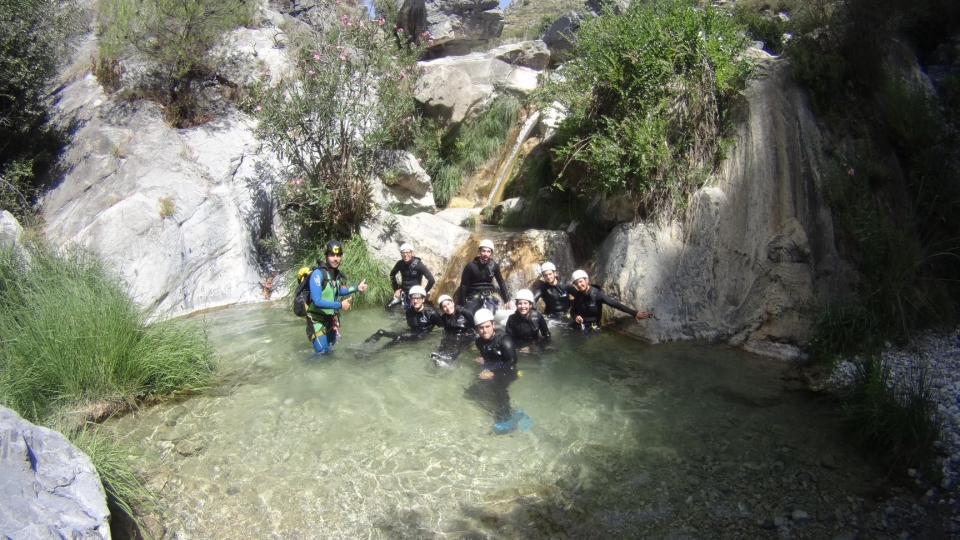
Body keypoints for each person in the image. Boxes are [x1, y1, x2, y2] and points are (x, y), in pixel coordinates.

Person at [465, 309, 531, 434]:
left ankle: (507, 419)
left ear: (493, 324)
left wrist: (493, 372)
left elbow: (512, 360)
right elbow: (489, 355)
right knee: (471, 392)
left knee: (498, 391)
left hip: (508, 371)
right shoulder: (479, 342)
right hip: (492, 369)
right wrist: (483, 360)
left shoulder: (504, 339)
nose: (484, 331)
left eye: (487, 327)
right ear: (477, 328)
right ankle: (510, 412)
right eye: (481, 328)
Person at [306, 240, 368, 353]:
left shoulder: (336, 274)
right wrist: (340, 305)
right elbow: (317, 301)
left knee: (330, 349)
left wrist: (356, 288)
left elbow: (338, 291)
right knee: (322, 354)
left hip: (329, 319)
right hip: (316, 321)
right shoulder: (318, 274)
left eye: (338, 255)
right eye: (332, 255)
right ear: (326, 256)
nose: (335, 258)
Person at [568, 269, 648, 332]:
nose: (579, 285)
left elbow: (615, 304)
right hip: (579, 326)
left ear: (587, 280)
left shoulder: (597, 294)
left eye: (580, 281)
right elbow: (572, 312)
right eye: (576, 283)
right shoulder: (578, 295)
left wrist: (634, 313)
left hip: (593, 328)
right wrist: (576, 317)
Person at [365, 286, 443, 348]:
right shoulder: (409, 312)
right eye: (413, 298)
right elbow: (410, 326)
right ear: (410, 299)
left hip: (422, 337)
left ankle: (374, 354)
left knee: (398, 337)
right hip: (412, 333)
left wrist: (435, 339)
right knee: (380, 331)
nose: (415, 301)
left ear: (423, 299)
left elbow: (442, 328)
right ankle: (363, 347)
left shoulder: (431, 313)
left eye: (418, 298)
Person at [456, 239, 511, 315]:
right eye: (483, 251)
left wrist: (507, 300)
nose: (486, 254)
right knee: (468, 314)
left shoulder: (494, 266)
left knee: (490, 315)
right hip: (473, 296)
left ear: (491, 253)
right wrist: (462, 303)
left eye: (488, 251)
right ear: (479, 252)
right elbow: (463, 285)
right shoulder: (470, 266)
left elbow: (501, 282)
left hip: (488, 296)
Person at [386, 243, 436, 309]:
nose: (405, 255)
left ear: (412, 253)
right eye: (403, 253)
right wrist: (396, 289)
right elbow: (392, 275)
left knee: (410, 312)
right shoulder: (400, 263)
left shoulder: (418, 264)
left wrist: (423, 292)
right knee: (388, 307)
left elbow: (431, 280)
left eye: (407, 252)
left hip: (415, 294)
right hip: (403, 291)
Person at [430, 294, 476, 366]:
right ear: (442, 309)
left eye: (448, 304)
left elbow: (474, 326)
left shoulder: (464, 312)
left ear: (453, 303)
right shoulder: (444, 317)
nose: (448, 307)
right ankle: (439, 356)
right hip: (452, 335)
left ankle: (449, 359)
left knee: (457, 344)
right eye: (444, 307)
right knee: (444, 341)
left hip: (466, 335)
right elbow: (446, 330)